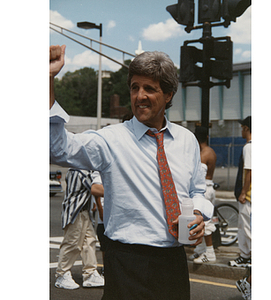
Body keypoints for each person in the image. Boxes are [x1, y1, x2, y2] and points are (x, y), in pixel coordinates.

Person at [50, 45, 214, 299]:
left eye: (149, 88)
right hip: (126, 264)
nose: (140, 96)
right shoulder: (111, 140)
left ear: (169, 95)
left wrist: (198, 214)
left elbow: (197, 190)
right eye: (135, 87)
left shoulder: (187, 140)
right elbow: (58, 149)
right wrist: (46, 80)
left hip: (173, 262)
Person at [55, 169, 105, 289]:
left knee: (89, 241)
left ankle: (90, 273)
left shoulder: (83, 170)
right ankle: (62, 274)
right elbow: (95, 189)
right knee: (72, 242)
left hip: (83, 211)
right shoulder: (79, 171)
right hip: (75, 212)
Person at [191, 126, 217, 264]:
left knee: (204, 220)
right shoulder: (211, 152)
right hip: (210, 185)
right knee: (205, 220)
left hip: (204, 189)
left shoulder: (203, 155)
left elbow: (198, 176)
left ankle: (210, 252)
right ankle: (201, 250)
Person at [229, 116, 252, 267]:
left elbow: (250, 171)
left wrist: (243, 192)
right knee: (245, 227)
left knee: (246, 227)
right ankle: (245, 256)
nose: (241, 131)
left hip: (249, 196)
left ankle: (248, 256)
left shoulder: (249, 147)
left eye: (242, 128)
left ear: (246, 128)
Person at [90, 171, 107, 277]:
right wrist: (100, 209)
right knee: (105, 245)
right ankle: (106, 268)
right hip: (105, 214)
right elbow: (95, 190)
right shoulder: (99, 171)